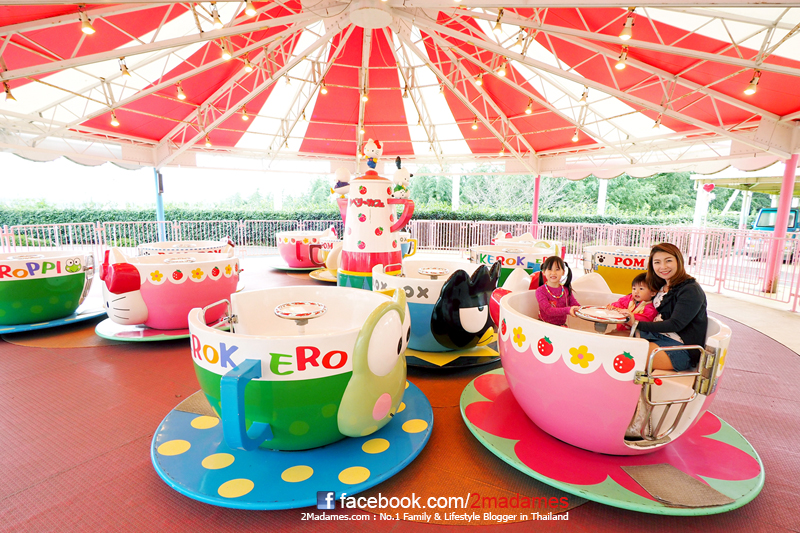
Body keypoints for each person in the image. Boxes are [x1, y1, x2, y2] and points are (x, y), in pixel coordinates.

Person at [635, 243, 708, 371]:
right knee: (614, 338)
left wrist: (636, 323)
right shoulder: (660, 285)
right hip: (655, 336)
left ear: (678, 261)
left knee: (629, 353)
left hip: (680, 348)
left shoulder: (690, 290)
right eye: (657, 262)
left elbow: (675, 324)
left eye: (668, 261)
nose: (663, 267)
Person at [535, 256, 580, 327]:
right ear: (544, 272)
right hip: (544, 326)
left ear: (563, 272)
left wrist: (581, 309)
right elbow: (548, 310)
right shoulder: (540, 291)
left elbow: (575, 305)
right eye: (550, 269)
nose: (553, 273)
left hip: (561, 326)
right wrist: (568, 310)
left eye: (557, 269)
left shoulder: (565, 290)